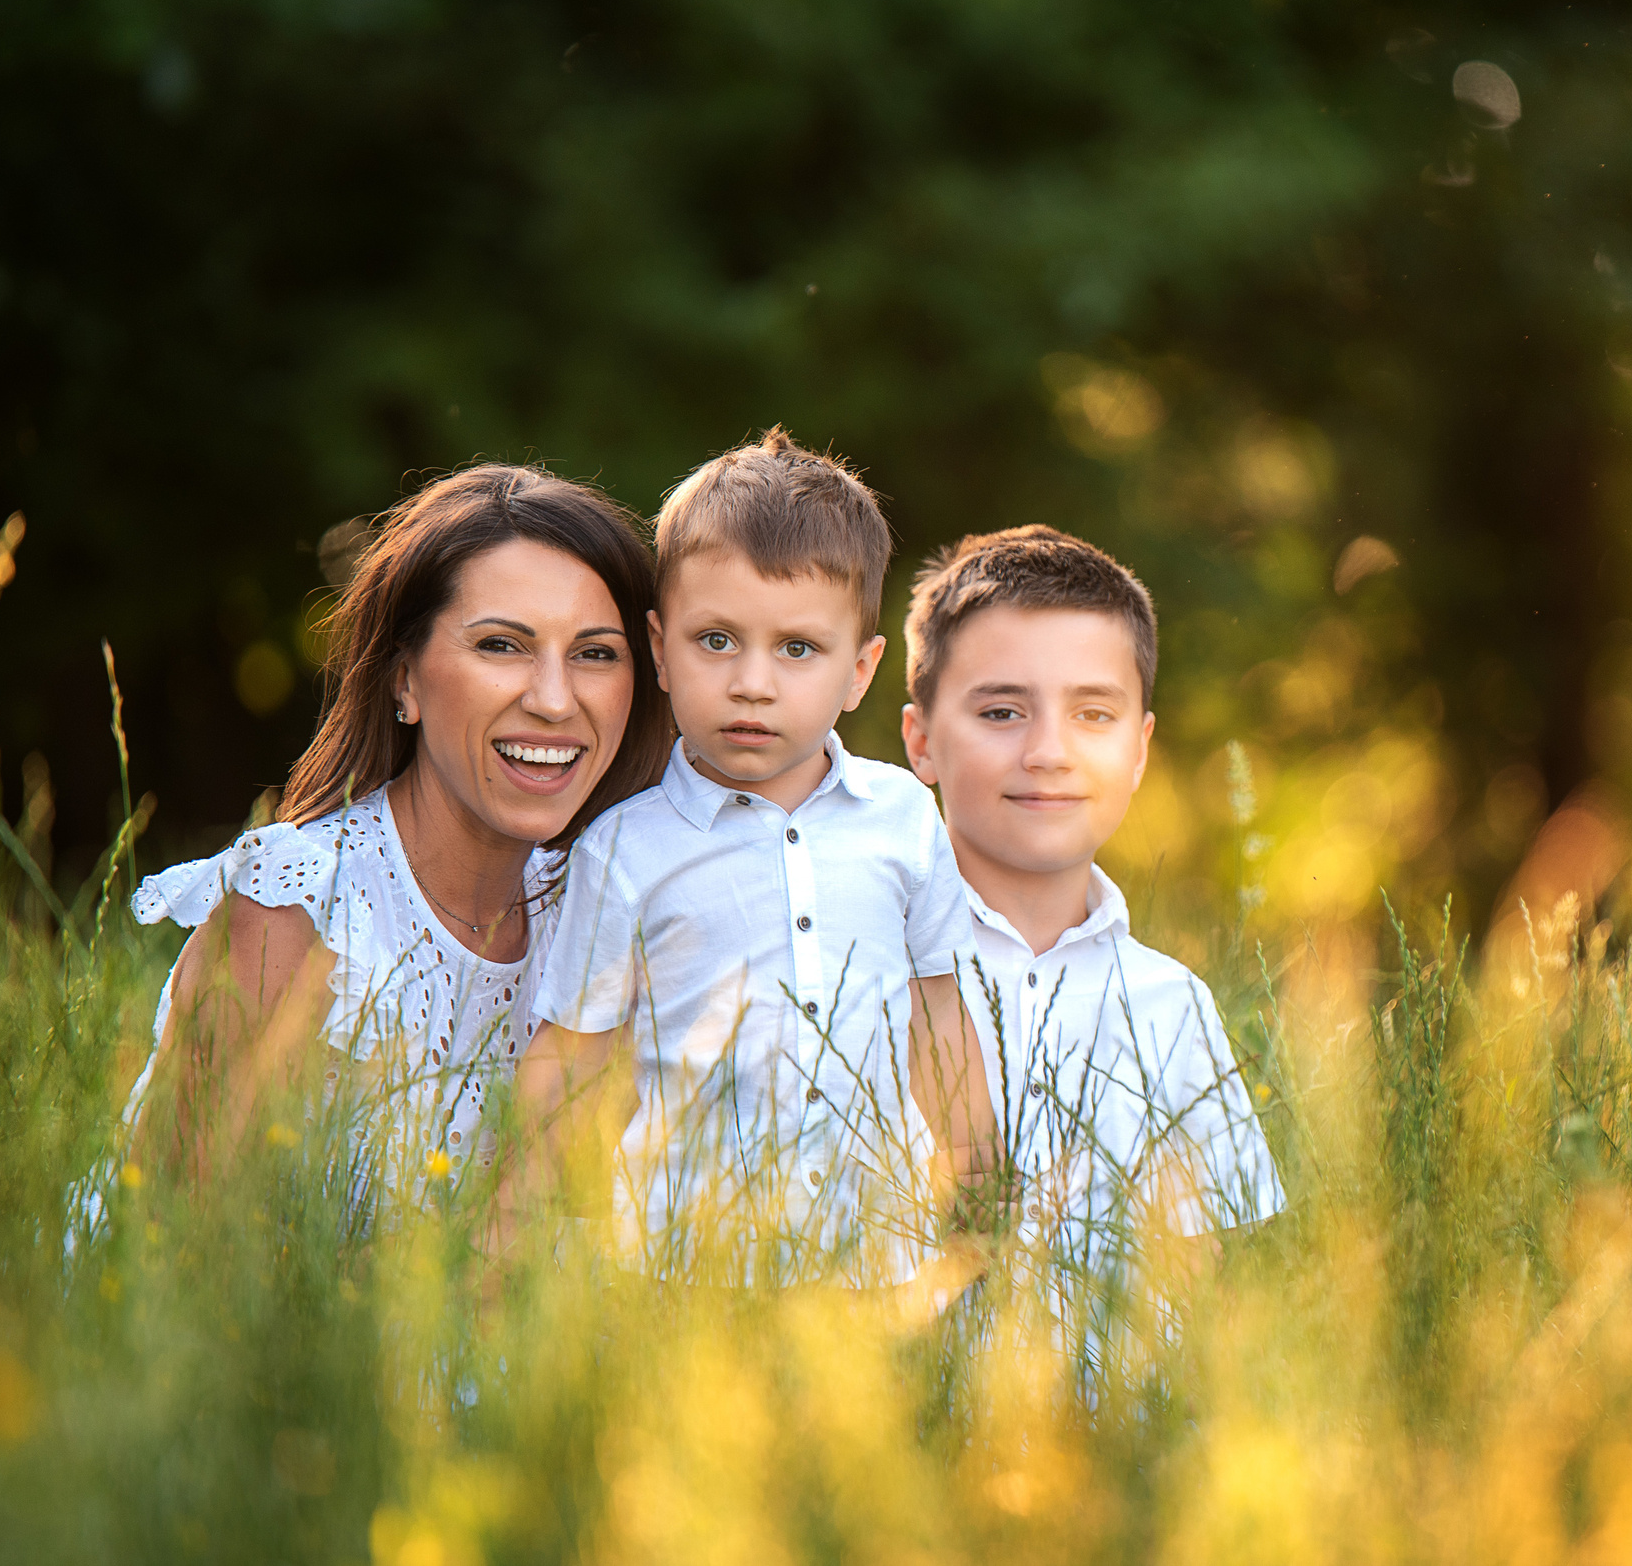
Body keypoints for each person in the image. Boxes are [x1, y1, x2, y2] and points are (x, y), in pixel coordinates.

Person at [507, 429, 999, 1287]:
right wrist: (512, 1244)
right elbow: (572, 1060)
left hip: (878, 1263)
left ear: (861, 670)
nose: (753, 682)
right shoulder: (626, 850)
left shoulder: (905, 821)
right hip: (687, 1268)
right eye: (718, 641)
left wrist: (978, 1195)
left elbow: (938, 1022)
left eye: (798, 649)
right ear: (659, 649)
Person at [122, 465, 672, 1203]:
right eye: (502, 645)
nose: (552, 698)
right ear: (403, 679)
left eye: (596, 652)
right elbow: (162, 1241)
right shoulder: (293, 913)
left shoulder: (614, 909)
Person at [898, 525, 1283, 1271]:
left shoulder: (1172, 1006)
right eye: (1002, 712)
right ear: (920, 743)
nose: (1049, 751)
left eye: (1093, 714)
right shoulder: (864, 973)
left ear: (1138, 751)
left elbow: (1214, 1297)